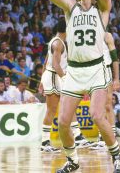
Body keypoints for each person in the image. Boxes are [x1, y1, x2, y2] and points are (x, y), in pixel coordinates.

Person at [39, 0, 120, 172]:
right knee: (64, 122)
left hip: (96, 69)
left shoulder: (102, 9)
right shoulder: (70, 6)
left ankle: (118, 157)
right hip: (75, 72)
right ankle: (73, 161)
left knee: (98, 116)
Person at [39, 20, 93, 153]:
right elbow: (56, 65)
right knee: (51, 110)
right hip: (54, 77)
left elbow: (45, 62)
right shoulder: (58, 43)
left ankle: (77, 135)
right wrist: (65, 79)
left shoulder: (55, 41)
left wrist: (41, 80)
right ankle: (45, 142)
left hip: (53, 76)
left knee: (70, 105)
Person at [90, 31, 120, 150]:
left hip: (105, 70)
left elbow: (115, 59)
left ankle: (111, 136)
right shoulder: (88, 32)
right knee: (97, 107)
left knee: (107, 105)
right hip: (92, 71)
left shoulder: (107, 35)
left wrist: (117, 78)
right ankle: (101, 137)